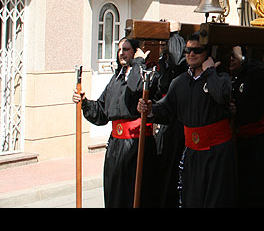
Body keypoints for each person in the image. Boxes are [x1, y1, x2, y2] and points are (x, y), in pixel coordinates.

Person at [136, 31, 237, 208]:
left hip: (217, 153)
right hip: (192, 152)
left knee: (215, 200)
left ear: (207, 54)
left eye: (197, 51)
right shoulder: (179, 82)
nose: (191, 54)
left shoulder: (221, 78)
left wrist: (210, 71)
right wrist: (150, 109)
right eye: (187, 50)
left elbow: (221, 95)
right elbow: (166, 109)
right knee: (192, 198)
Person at [72, 37, 159, 208]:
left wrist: (138, 63)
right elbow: (102, 111)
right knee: (114, 192)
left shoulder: (145, 74)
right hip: (115, 145)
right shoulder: (116, 79)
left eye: (126, 49)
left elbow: (137, 88)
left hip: (136, 144)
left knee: (132, 194)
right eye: (120, 49)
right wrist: (85, 102)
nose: (122, 53)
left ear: (135, 52)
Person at [228, 45, 264, 207]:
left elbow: (262, 77)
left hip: (256, 140)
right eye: (229, 56)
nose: (231, 59)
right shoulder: (225, 75)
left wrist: (243, 60)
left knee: (254, 186)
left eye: (235, 56)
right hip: (235, 140)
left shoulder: (254, 72)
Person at [153, 26, 188, 208]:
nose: (161, 46)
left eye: (165, 43)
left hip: (176, 124)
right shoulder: (162, 63)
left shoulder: (180, 66)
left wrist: (174, 33)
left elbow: (177, 62)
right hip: (163, 120)